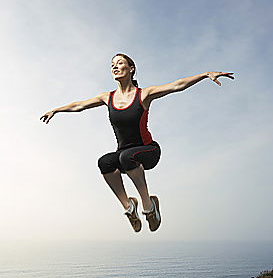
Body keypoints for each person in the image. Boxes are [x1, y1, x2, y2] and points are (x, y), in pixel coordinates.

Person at [40, 53, 234, 233]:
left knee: (126, 157)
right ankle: (129, 207)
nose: (115, 67)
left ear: (131, 68)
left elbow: (177, 85)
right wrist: (56, 110)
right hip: (125, 155)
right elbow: (79, 105)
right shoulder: (107, 98)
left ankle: (149, 208)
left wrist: (205, 74)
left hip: (148, 151)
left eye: (120, 63)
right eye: (112, 65)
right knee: (105, 162)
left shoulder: (144, 94)